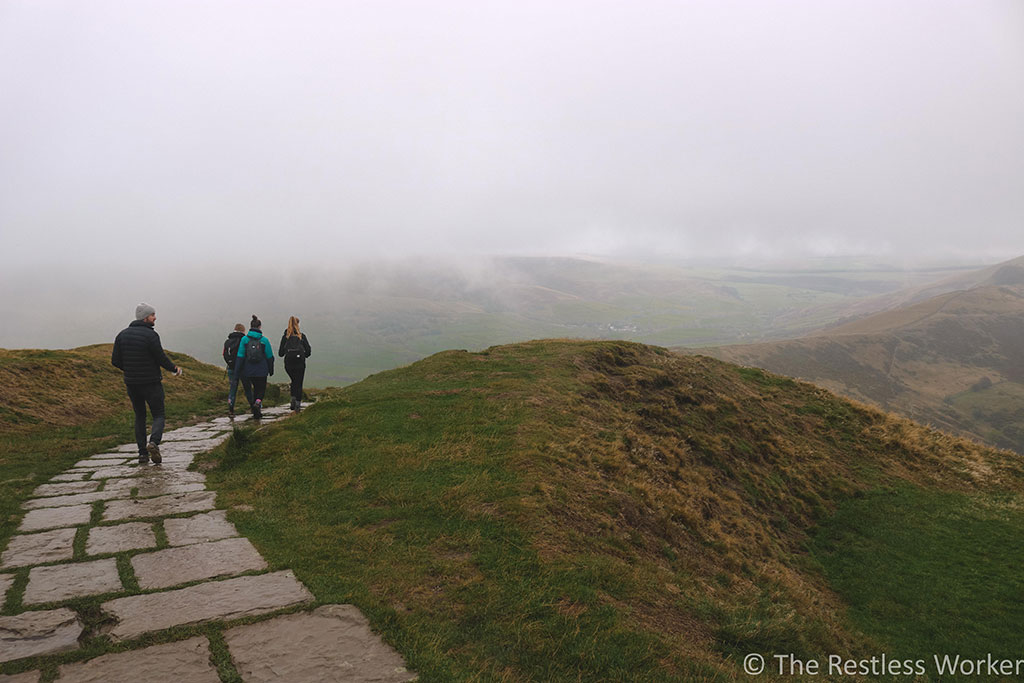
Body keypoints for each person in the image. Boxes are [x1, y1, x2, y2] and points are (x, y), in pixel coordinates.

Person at [111, 303, 182, 464]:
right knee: (158, 414)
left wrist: (129, 369)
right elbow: (160, 357)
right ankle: (154, 442)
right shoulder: (151, 336)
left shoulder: (122, 335)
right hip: (151, 382)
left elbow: (115, 361)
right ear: (145, 318)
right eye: (152, 315)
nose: (155, 317)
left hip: (132, 383)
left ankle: (142, 454)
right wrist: (174, 368)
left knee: (140, 416)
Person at [234, 314, 274, 419]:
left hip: (248, 370)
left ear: (250, 326)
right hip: (262, 370)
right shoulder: (264, 340)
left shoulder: (244, 340)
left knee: (254, 389)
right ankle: (258, 403)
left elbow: (240, 356)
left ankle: (256, 411)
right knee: (261, 389)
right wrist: (271, 370)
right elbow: (270, 357)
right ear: (259, 327)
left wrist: (237, 371)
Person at [278, 316, 312, 411]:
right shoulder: (302, 336)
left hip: (288, 364)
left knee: (294, 381)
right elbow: (308, 351)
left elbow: (280, 353)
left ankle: (292, 400)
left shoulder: (285, 337)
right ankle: (297, 404)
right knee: (299, 383)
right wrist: (303, 355)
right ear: (298, 324)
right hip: (300, 364)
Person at [222, 323, 251, 416]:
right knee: (247, 388)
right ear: (243, 331)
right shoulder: (244, 340)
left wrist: (230, 363)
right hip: (243, 368)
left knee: (233, 389)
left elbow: (224, 354)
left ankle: (231, 409)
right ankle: (253, 406)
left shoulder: (228, 341)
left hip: (231, 368)